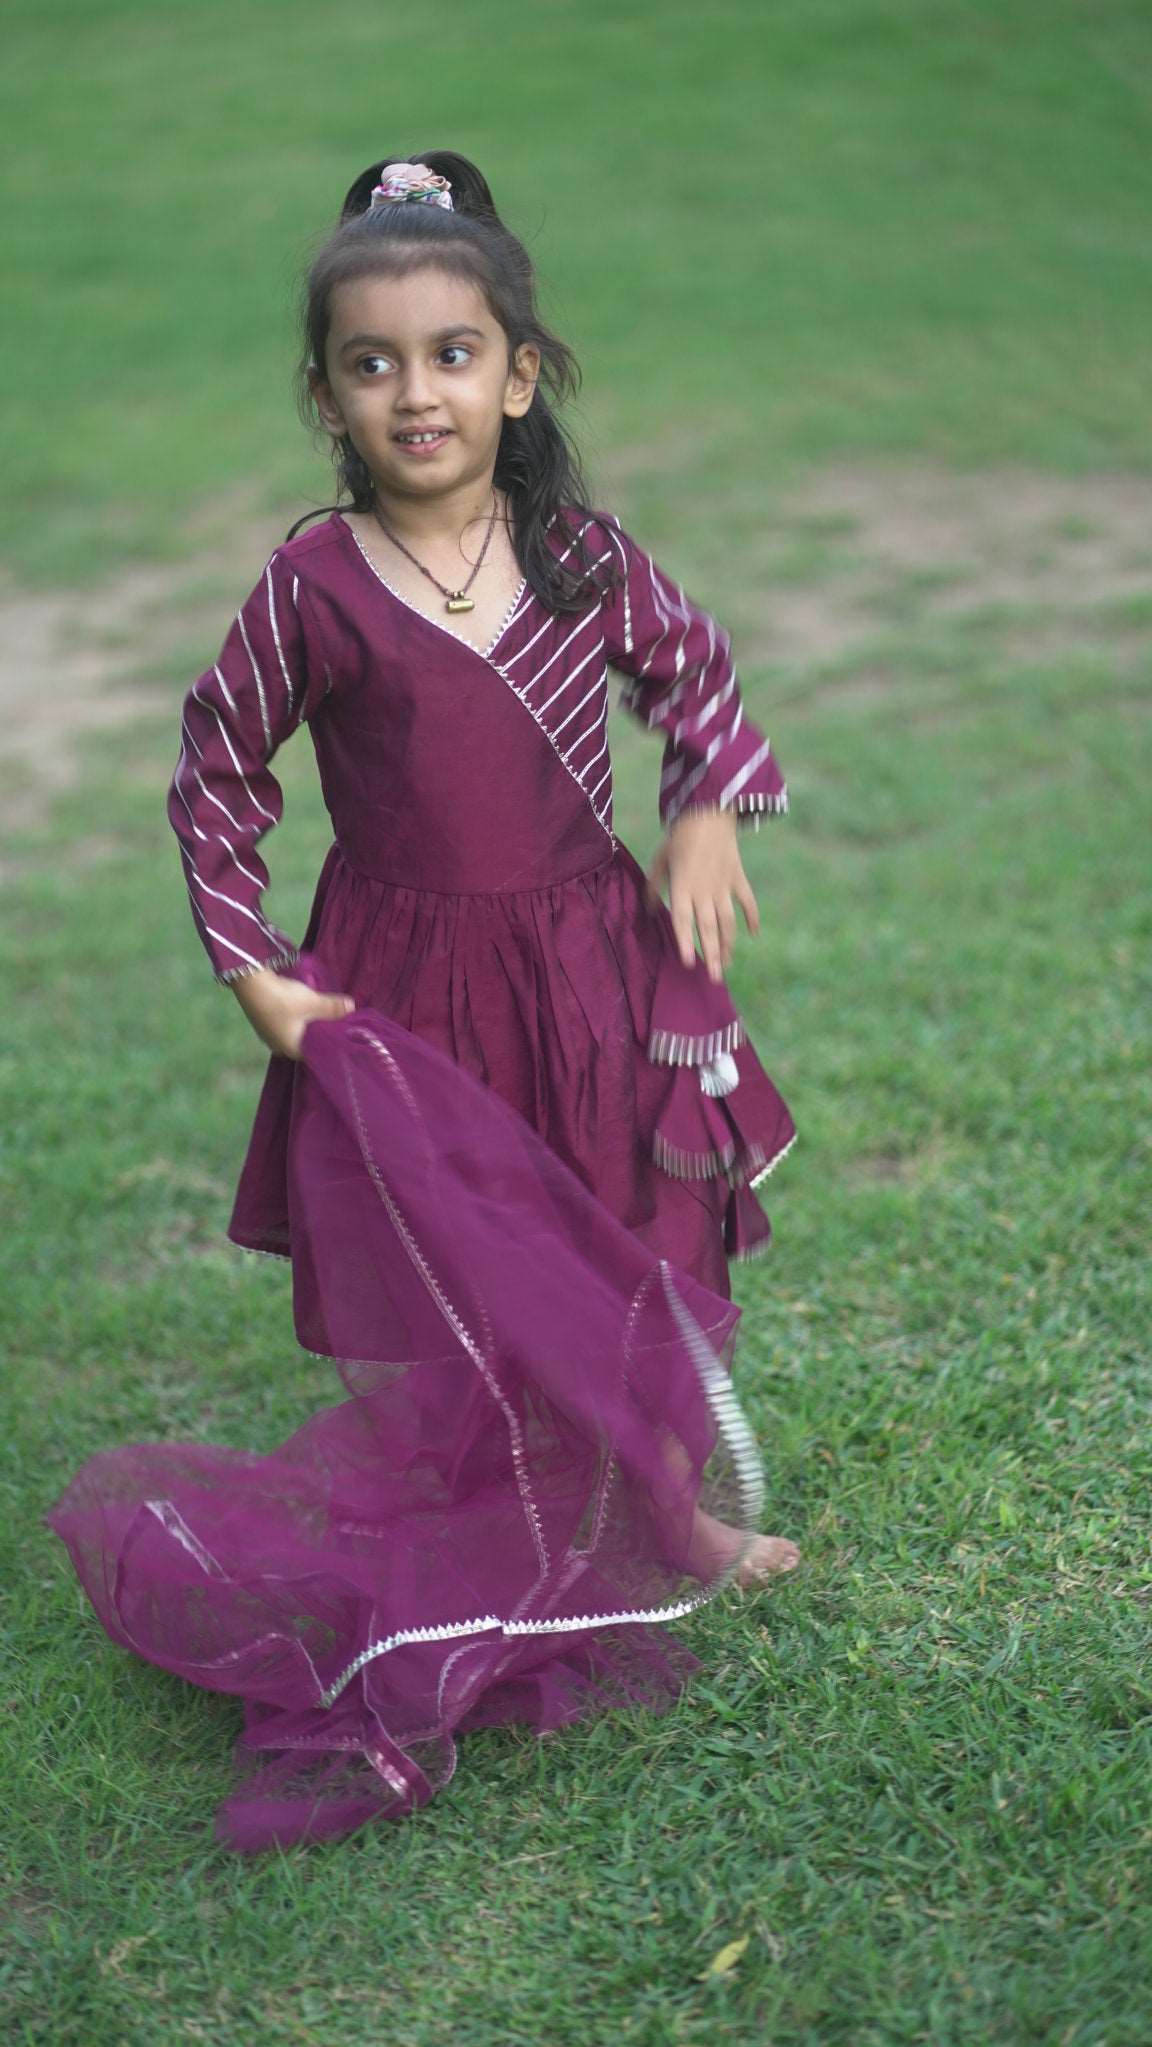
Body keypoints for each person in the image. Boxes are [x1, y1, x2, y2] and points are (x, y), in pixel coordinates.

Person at [43, 152, 802, 1854]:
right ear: (326, 395)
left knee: (626, 1232)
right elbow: (214, 778)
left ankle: (667, 1511)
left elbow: (696, 673)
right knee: (475, 1268)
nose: (416, 392)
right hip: (408, 994)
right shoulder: (312, 591)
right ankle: (505, 1503)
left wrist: (701, 807)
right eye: (372, 362)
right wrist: (260, 973)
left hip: (589, 968)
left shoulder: (576, 555)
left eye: (453, 354)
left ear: (520, 375)